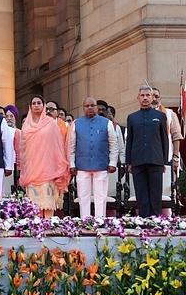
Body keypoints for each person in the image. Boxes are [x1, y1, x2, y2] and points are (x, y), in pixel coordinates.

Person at [19, 95, 70, 219]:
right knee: (34, 205)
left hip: (48, 169)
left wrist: (59, 166)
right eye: (34, 103)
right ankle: (36, 229)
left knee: (47, 203)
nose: (36, 105)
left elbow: (57, 146)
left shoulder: (50, 123)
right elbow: (24, 150)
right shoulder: (26, 125)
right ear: (30, 107)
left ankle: (48, 229)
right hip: (32, 169)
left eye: (39, 103)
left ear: (44, 106)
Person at [68, 97, 118, 218]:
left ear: (96, 107)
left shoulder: (107, 123)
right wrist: (72, 164)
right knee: (83, 196)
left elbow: (113, 144)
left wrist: (112, 162)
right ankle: (85, 221)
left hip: (101, 165)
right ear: (83, 108)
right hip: (82, 165)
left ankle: (100, 221)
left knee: (100, 196)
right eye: (87, 106)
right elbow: (71, 146)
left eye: (92, 105)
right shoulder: (76, 123)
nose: (90, 108)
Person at [126, 85, 169, 217]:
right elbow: (130, 141)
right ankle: (144, 222)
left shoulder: (160, 116)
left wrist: (164, 161)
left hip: (156, 159)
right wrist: (129, 162)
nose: (145, 98)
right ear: (138, 98)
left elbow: (164, 140)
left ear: (152, 97)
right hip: (137, 160)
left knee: (155, 193)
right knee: (141, 193)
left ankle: (156, 222)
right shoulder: (132, 117)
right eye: (142, 96)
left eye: (147, 95)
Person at [152, 88, 183, 175]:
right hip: (149, 159)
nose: (154, 99)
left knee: (168, 186)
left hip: (167, 157)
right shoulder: (141, 116)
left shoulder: (169, 114)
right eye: (152, 96)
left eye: (156, 96)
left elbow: (176, 136)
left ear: (160, 99)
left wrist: (175, 158)